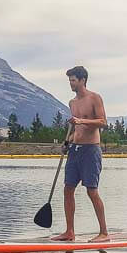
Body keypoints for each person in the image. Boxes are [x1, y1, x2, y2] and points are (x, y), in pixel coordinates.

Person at [52, 66, 110, 242]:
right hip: (74, 150)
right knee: (68, 189)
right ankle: (70, 232)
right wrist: (67, 142)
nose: (70, 83)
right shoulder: (72, 103)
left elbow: (103, 122)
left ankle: (104, 233)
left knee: (91, 190)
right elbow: (75, 128)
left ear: (82, 80)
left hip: (90, 150)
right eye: (69, 80)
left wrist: (81, 120)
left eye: (73, 80)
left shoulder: (94, 98)